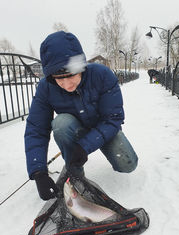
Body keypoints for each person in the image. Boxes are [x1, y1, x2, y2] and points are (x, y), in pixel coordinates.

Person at [24, 31, 138, 201]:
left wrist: (85, 146)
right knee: (60, 124)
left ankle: (80, 156)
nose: (67, 84)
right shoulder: (46, 88)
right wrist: (38, 171)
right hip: (74, 128)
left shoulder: (102, 75)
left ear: (81, 68)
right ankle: (74, 171)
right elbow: (36, 128)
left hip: (104, 129)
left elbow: (113, 118)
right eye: (59, 79)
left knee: (128, 165)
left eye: (71, 76)